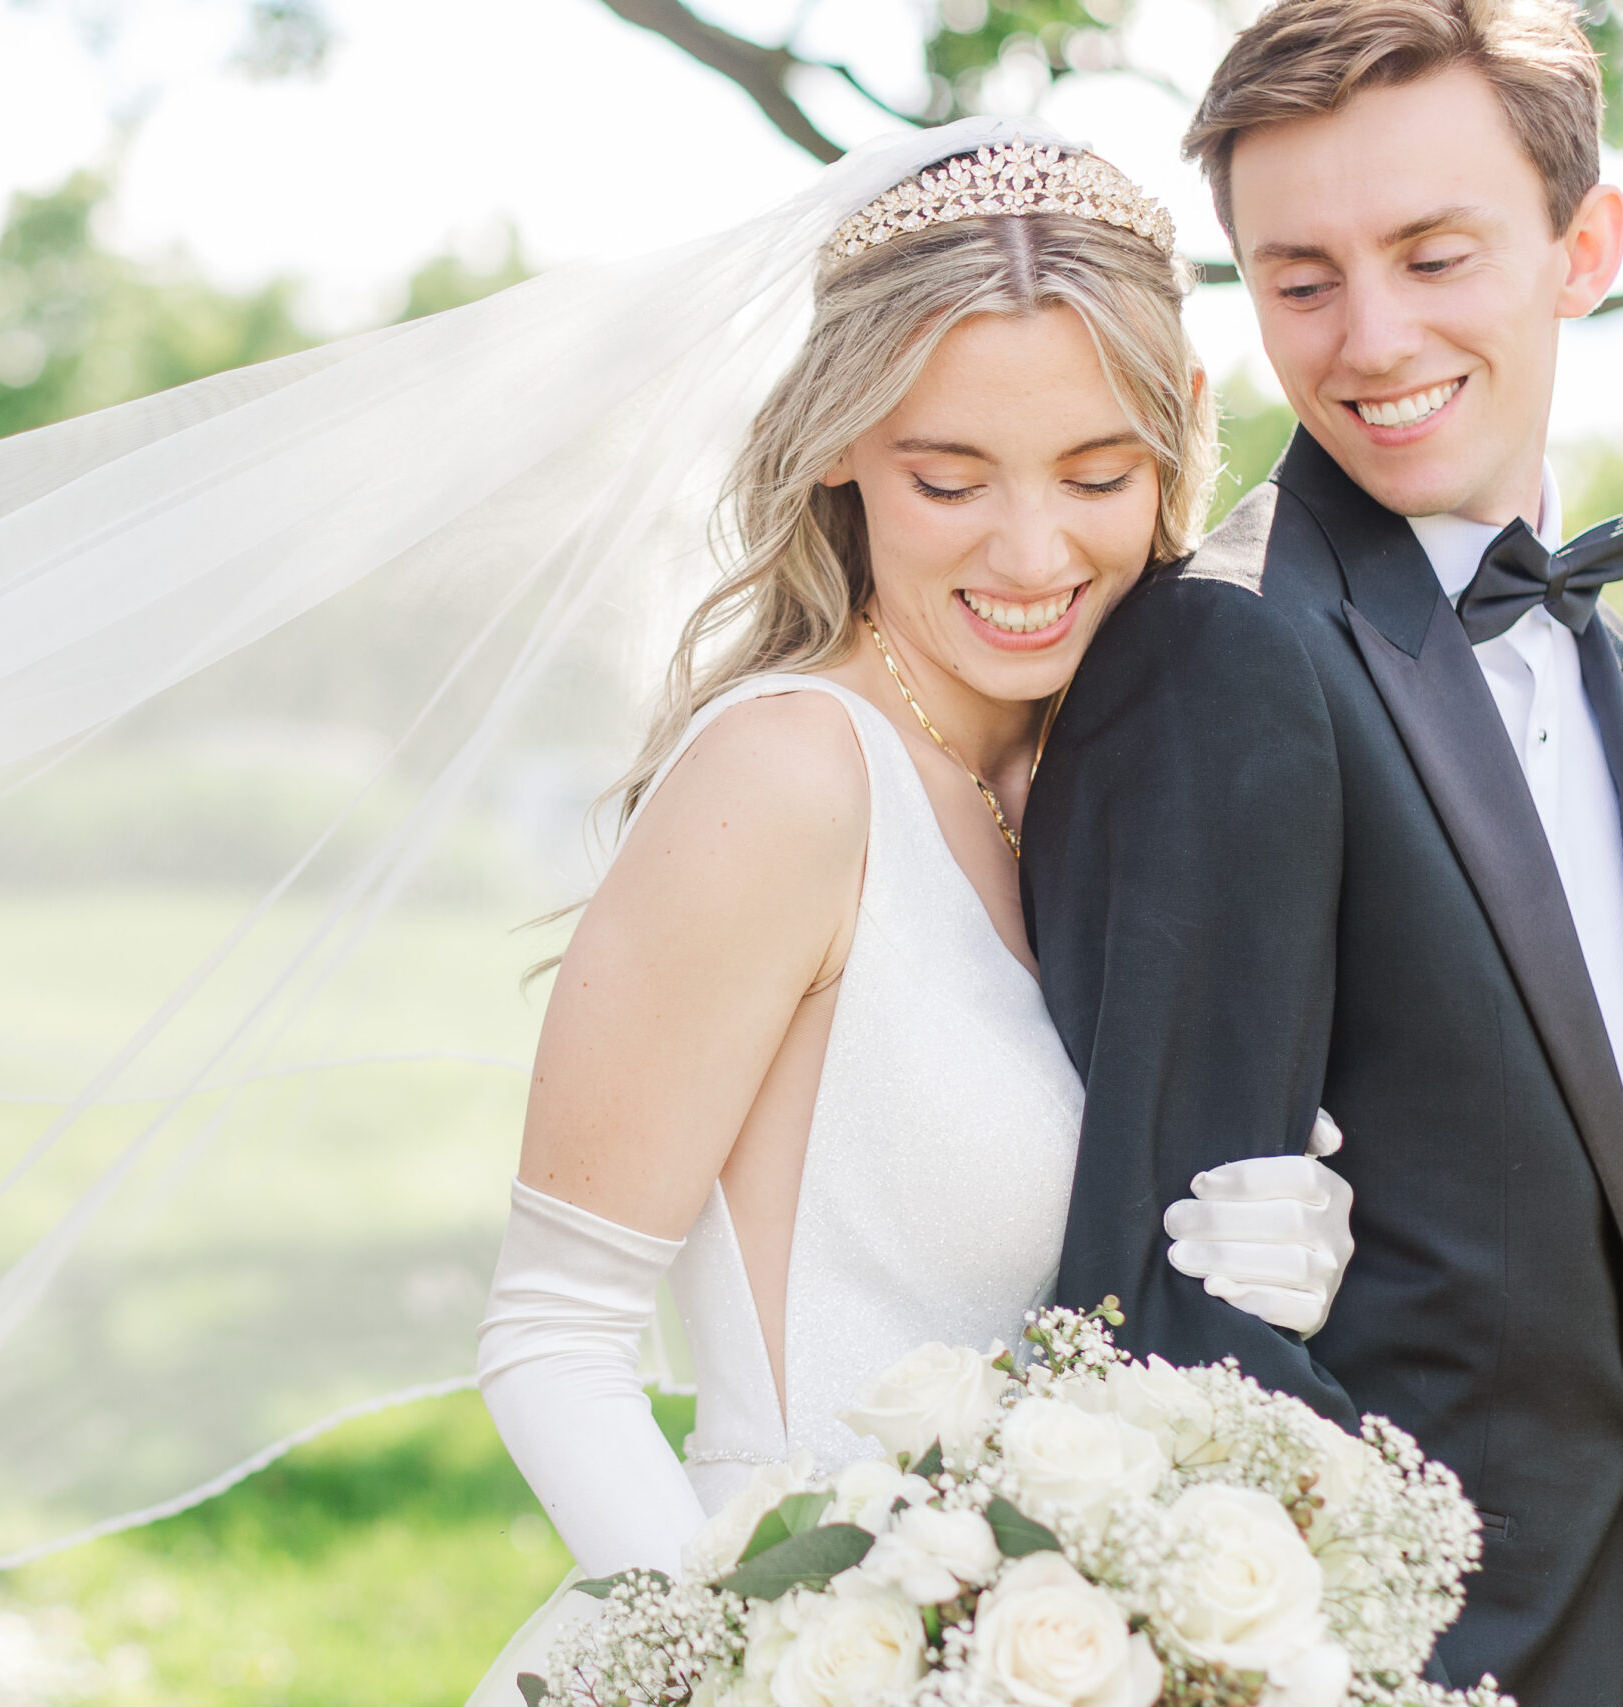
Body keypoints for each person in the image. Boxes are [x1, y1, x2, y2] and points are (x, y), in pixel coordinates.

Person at [469, 136, 1359, 1696]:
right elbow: (552, 1337)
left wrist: (1282, 1258)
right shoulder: (792, 776)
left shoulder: (1129, 767)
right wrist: (746, 1656)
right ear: (835, 449)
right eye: (949, 480)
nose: (1034, 554)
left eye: (1097, 477)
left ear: (1184, 437)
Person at [1026, 3, 1623, 1703]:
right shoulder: (1228, 654)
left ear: (1584, 246)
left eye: (1433, 252)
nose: (1369, 336)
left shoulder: (1621, 677)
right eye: (1300, 277)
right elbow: (1164, 1328)